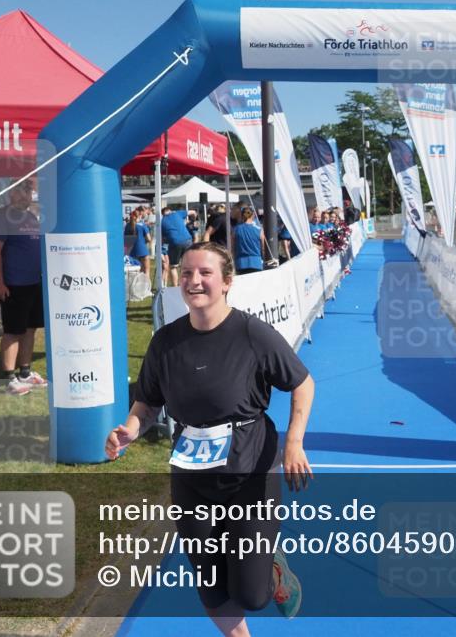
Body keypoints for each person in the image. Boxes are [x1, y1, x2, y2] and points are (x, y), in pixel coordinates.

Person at [105, 243, 314, 633]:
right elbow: (148, 403)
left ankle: (273, 570)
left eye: (204, 273)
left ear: (227, 283)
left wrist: (294, 443)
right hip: (192, 477)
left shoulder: (253, 334)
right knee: (211, 584)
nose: (193, 281)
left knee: (252, 595)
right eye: (186, 273)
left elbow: (302, 384)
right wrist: (130, 430)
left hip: (249, 474)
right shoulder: (165, 342)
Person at [0, 180, 48, 396]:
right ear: (12, 192)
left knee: (30, 329)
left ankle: (25, 373)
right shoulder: (0, 217)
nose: (29, 194)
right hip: (13, 284)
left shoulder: (30, 216)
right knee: (13, 331)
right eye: (24, 189)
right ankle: (10, 378)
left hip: (33, 283)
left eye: (31, 190)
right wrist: (0, 283)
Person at [162, 206, 192, 286]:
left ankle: (175, 287)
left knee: (173, 266)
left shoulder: (162, 221)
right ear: (170, 211)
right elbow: (192, 212)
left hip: (175, 243)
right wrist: (192, 220)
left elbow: (164, 239)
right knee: (188, 265)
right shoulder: (177, 213)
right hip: (187, 240)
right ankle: (189, 284)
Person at [234, 207, 265, 275]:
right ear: (253, 215)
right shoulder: (259, 230)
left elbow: (232, 247)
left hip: (240, 263)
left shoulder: (236, 229)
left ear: (242, 215)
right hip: (256, 263)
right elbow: (263, 248)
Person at [125, 209, 152, 278]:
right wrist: (143, 241)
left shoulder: (127, 226)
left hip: (132, 252)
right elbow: (149, 238)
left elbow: (126, 241)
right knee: (146, 271)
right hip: (143, 251)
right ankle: (147, 288)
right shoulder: (142, 225)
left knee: (136, 273)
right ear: (139, 216)